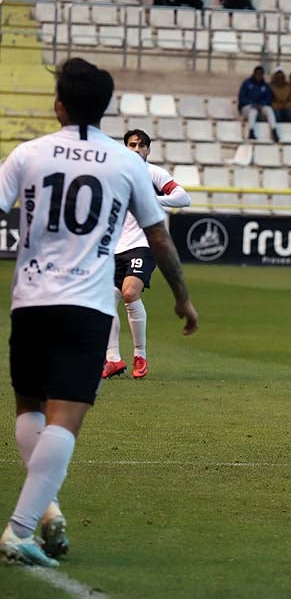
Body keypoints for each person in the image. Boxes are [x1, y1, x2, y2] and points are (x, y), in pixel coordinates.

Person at [0, 58, 197, 568]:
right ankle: (22, 526)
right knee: (66, 417)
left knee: (30, 408)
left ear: (58, 105)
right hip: (86, 303)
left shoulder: (27, 153)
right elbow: (158, 237)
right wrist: (181, 296)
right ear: (107, 108)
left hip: (31, 299)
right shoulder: (126, 162)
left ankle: (45, 512)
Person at [103, 130, 193, 380]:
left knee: (130, 292)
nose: (136, 149)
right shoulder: (115, 175)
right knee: (105, 303)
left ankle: (140, 355)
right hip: (114, 248)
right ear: (125, 148)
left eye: (141, 145)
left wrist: (151, 199)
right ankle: (112, 359)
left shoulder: (154, 173)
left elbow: (184, 198)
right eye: (132, 145)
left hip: (143, 243)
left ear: (148, 150)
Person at [238, 66, 279, 140]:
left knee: (269, 109)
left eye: (261, 74)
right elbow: (242, 98)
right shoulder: (247, 84)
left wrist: (262, 104)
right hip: (247, 108)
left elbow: (268, 98)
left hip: (260, 107)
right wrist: (252, 104)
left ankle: (274, 130)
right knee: (253, 111)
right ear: (254, 74)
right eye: (257, 74)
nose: (259, 76)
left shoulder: (265, 86)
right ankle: (251, 131)